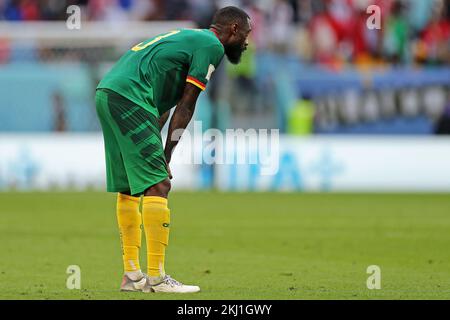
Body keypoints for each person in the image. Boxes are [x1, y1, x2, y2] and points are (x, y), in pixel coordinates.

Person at [95, 6, 252, 293]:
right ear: (232, 29)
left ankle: (132, 275)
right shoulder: (211, 46)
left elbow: (164, 107)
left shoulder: (189, 39)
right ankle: (156, 278)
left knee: (130, 187)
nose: (246, 41)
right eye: (246, 34)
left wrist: (158, 147)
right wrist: (166, 156)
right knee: (159, 185)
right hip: (130, 96)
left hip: (109, 92)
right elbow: (187, 105)